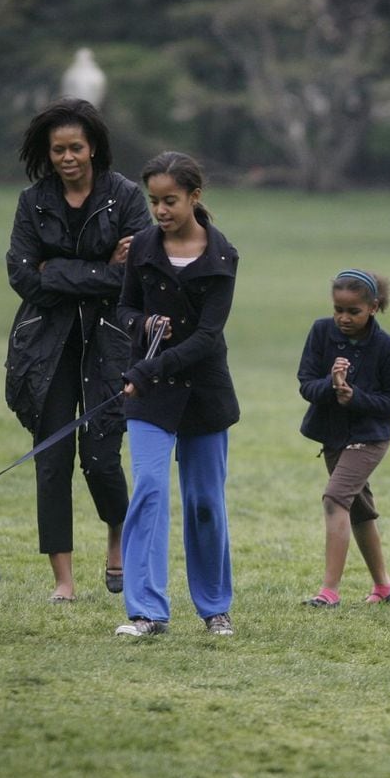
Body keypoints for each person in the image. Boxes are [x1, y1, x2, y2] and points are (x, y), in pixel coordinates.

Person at [5, 98, 151, 603]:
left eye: (76, 148)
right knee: (52, 459)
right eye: (58, 150)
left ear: (94, 149)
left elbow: (137, 274)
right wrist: (101, 269)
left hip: (110, 343)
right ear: (47, 153)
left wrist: (58, 270)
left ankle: (117, 537)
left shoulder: (125, 197)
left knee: (101, 456)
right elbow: (23, 277)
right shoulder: (33, 201)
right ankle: (63, 581)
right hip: (47, 346)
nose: (67, 158)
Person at [115, 152, 239, 637]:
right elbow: (123, 307)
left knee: (205, 502)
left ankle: (215, 610)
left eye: (170, 201)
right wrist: (143, 323)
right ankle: (146, 611)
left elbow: (207, 338)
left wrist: (148, 369)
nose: (161, 211)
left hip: (202, 392)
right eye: (154, 202)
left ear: (194, 197)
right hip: (150, 394)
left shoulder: (222, 257)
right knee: (147, 490)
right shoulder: (142, 247)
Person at [298, 270, 390, 608]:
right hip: (333, 436)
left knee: (335, 499)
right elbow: (305, 383)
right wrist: (331, 385)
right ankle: (385, 587)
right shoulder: (320, 332)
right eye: (338, 310)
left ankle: (329, 592)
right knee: (358, 511)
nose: (344, 318)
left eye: (353, 311)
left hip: (369, 438)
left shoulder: (386, 347)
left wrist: (355, 397)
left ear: (373, 307)